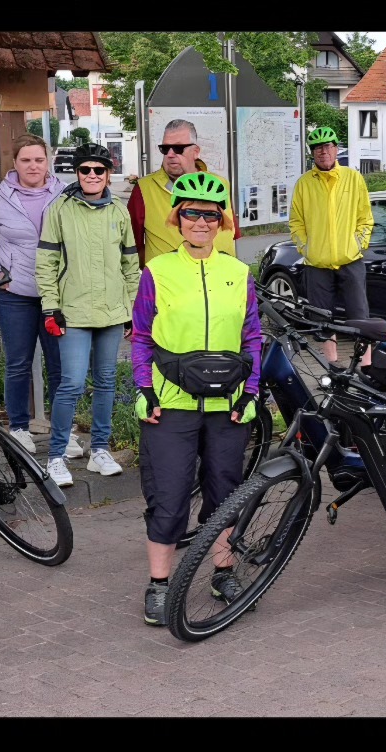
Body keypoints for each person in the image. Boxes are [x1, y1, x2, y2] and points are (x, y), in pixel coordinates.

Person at [131, 172, 263, 626]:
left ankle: (221, 571)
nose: (201, 222)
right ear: (178, 218)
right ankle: (160, 584)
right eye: (192, 213)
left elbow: (253, 337)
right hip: (172, 404)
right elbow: (142, 337)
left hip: (228, 405)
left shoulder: (238, 272)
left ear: (222, 221)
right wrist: (144, 390)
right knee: (168, 497)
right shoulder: (158, 271)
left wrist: (251, 392)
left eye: (210, 214)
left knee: (224, 492)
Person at [36, 143, 139, 486]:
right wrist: (51, 308)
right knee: (72, 383)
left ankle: (99, 451)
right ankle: (55, 456)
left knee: (107, 382)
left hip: (112, 312)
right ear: (76, 174)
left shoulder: (119, 212)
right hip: (74, 312)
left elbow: (130, 266)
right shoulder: (60, 209)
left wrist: (133, 311)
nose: (92, 176)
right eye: (85, 170)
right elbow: (46, 262)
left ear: (108, 174)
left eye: (98, 170)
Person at [0, 133, 77, 457]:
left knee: (60, 365)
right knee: (18, 363)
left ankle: (64, 431)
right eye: (26, 160)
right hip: (15, 293)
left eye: (39, 159)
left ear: (49, 161)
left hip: (56, 294)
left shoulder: (65, 194)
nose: (33, 166)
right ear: (15, 163)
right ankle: (18, 428)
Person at [289, 125, 375, 365]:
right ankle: (331, 367)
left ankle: (365, 367)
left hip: (350, 260)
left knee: (360, 316)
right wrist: (306, 249)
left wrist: (358, 244)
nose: (322, 151)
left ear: (336, 149)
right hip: (317, 263)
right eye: (317, 148)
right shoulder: (304, 183)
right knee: (321, 318)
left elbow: (365, 218)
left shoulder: (353, 177)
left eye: (327, 146)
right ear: (312, 153)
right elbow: (296, 222)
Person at [127, 119, 241, 265]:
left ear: (195, 152)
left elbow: (231, 233)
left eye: (178, 148)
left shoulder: (219, 184)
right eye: (165, 148)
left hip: (222, 280)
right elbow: (132, 245)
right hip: (170, 284)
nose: (170, 154)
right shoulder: (144, 188)